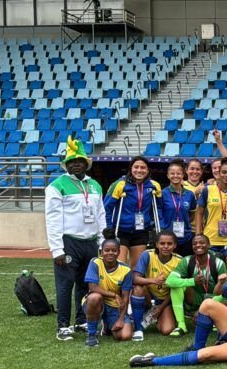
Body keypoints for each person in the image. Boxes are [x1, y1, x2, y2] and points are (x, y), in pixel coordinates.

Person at [45, 137, 106, 341]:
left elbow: (100, 215)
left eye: (80, 160)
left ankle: (81, 320)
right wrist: (57, 249)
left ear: (86, 163)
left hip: (90, 242)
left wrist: (102, 242)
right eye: (72, 161)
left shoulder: (95, 185)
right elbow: (52, 219)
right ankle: (63, 325)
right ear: (67, 164)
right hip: (68, 242)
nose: (77, 163)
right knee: (65, 285)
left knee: (84, 284)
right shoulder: (56, 186)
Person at [103, 156, 163, 268]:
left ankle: (133, 286)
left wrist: (158, 226)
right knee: (120, 266)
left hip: (141, 231)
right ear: (131, 169)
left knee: (137, 267)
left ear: (148, 170)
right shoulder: (120, 184)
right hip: (121, 230)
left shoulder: (154, 186)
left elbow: (158, 208)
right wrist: (109, 227)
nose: (139, 170)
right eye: (136, 167)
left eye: (143, 168)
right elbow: (107, 208)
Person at [165, 234, 227, 336]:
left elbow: (222, 293)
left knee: (225, 300)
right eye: (195, 243)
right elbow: (169, 281)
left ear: (209, 245)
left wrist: (220, 283)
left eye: (202, 243)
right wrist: (192, 281)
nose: (198, 245)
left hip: (214, 298)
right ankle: (181, 326)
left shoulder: (218, 263)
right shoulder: (187, 261)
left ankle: (213, 320)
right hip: (195, 297)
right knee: (176, 287)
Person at [130, 230, 182, 341]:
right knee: (138, 288)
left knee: (167, 330)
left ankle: (158, 316)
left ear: (175, 245)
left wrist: (161, 308)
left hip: (166, 300)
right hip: (148, 295)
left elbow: (177, 290)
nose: (166, 246)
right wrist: (154, 280)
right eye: (162, 243)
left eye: (169, 244)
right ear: (157, 244)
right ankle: (138, 328)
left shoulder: (179, 261)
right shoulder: (147, 255)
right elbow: (134, 278)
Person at [82, 237, 134, 346]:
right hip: (96, 302)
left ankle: (107, 325)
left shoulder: (126, 270)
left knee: (125, 336)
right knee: (95, 297)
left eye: (114, 250)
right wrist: (114, 295)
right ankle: (91, 334)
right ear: (101, 252)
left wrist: (120, 320)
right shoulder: (95, 262)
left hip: (114, 306)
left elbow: (125, 297)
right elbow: (93, 288)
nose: (110, 253)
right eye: (107, 250)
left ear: (119, 252)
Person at [195, 158, 227, 275]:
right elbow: (199, 212)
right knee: (209, 274)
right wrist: (198, 234)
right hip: (210, 237)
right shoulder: (208, 190)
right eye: (224, 172)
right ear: (218, 173)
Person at [161, 160, 197, 257]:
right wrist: (165, 227)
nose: (175, 176)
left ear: (183, 175)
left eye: (178, 173)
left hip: (186, 237)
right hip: (168, 238)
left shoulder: (190, 194)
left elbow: (192, 214)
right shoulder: (162, 194)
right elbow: (159, 213)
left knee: (185, 265)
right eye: (172, 173)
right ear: (168, 175)